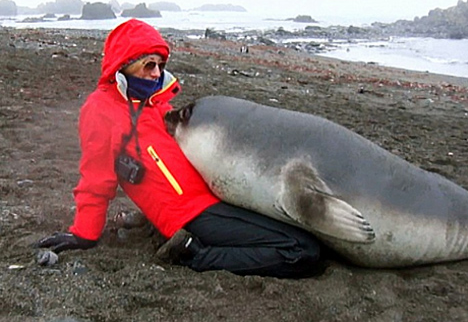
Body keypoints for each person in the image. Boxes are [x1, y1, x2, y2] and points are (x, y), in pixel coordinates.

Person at [37, 19, 322, 278]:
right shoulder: (100, 110)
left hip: (217, 197)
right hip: (190, 214)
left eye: (160, 65)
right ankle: (193, 255)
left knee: (305, 232)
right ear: (124, 64)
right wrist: (84, 234)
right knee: (302, 251)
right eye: (149, 64)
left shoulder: (154, 104)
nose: (156, 73)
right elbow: (96, 180)